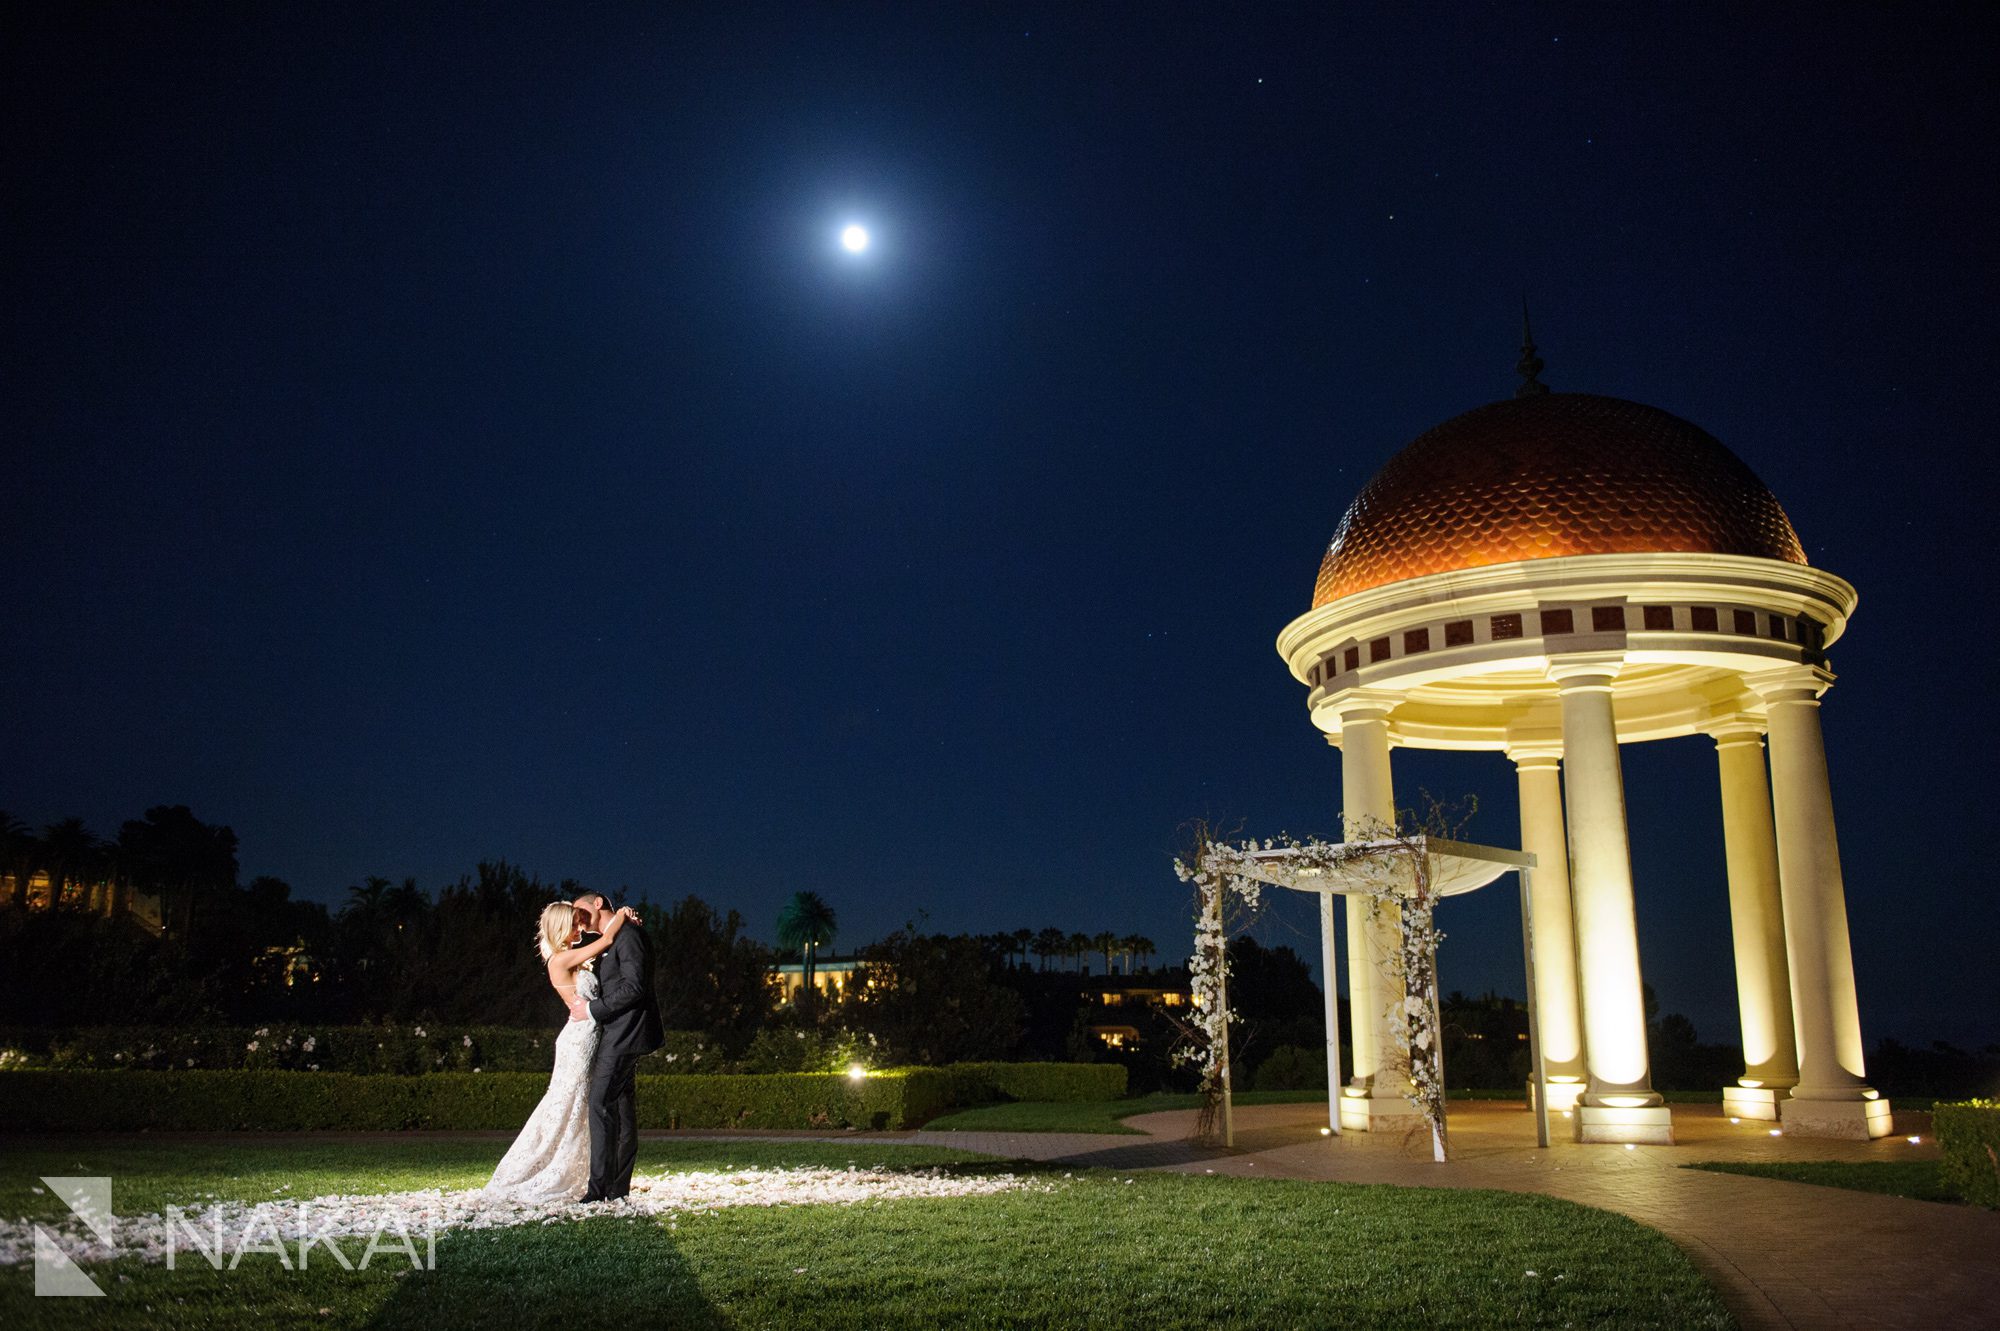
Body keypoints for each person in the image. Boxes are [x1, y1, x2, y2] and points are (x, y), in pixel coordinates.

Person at [480, 899, 636, 1202]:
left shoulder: (570, 957)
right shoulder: (559, 960)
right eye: (575, 923)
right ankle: (540, 1170)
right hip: (579, 1039)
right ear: (560, 927)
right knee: (569, 1103)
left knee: (578, 1104)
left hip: (588, 1034)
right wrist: (622, 914)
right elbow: (606, 939)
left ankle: (595, 1174)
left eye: (580, 922)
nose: (580, 927)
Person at [568, 890, 665, 1202]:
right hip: (617, 1032)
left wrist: (592, 1010)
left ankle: (599, 1190)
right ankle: (616, 1189)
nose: (578, 918)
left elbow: (635, 986)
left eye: (580, 909)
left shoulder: (629, 935)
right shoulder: (613, 937)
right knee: (621, 1110)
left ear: (598, 903)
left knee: (599, 1103)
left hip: (626, 1034)